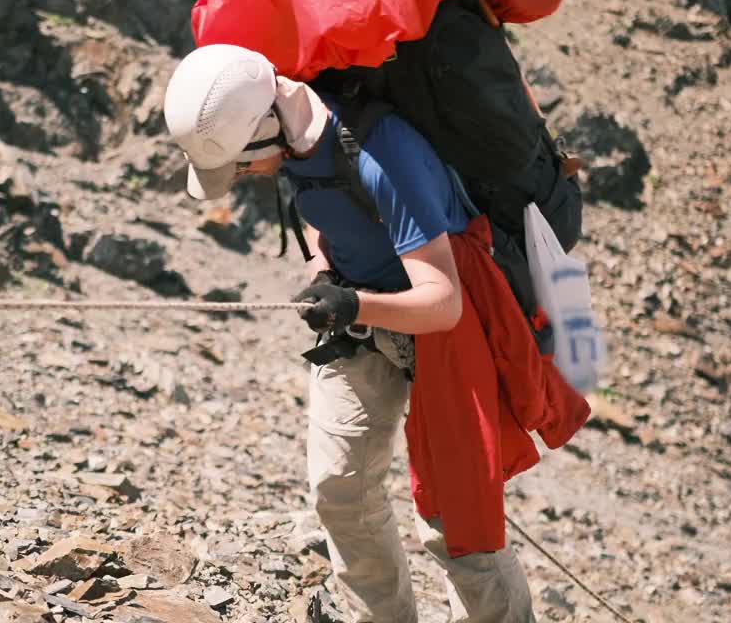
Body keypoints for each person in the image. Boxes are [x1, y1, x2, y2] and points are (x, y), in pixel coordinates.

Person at [163, 43, 548, 622]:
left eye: (240, 163)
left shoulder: (384, 156)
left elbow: (443, 302)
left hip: (445, 335)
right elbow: (326, 213)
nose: (239, 177)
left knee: (454, 520)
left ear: (266, 127)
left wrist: (351, 304)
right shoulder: (293, 135)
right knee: (340, 492)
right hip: (360, 317)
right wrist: (324, 273)